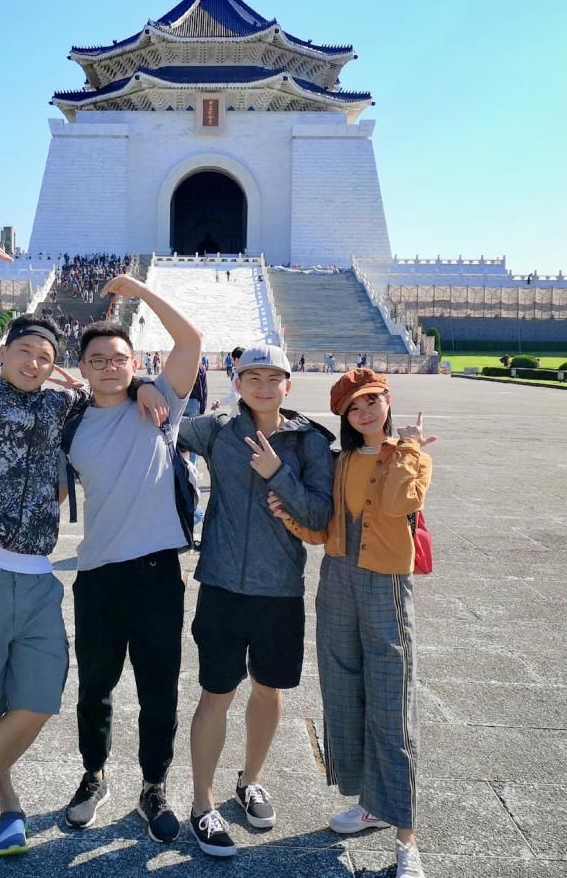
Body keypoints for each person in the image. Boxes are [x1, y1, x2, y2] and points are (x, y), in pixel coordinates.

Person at [0, 240, 165, 859]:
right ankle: (6, 806)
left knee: (39, 697)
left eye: (45, 356)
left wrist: (138, 386)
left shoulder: (63, 406)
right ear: (2, 353)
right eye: (24, 352)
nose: (35, 363)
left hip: (37, 578)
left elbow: (105, 391)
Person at [268, 370, 434, 878]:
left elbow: (395, 503)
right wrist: (291, 518)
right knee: (344, 691)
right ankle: (370, 803)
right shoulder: (340, 464)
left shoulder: (411, 457)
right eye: (353, 408)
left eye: (372, 402)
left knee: (389, 701)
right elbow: (324, 530)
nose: (364, 413)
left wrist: (405, 449)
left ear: (388, 402)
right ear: (344, 417)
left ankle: (407, 838)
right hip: (337, 580)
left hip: (384, 584)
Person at [177, 344, 335, 857]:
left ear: (289, 384)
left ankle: (249, 780)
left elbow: (317, 517)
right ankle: (202, 805)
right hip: (222, 584)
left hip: (279, 591)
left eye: (274, 378)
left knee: (269, 691)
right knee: (216, 694)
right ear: (237, 380)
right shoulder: (218, 429)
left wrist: (277, 472)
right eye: (253, 377)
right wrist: (129, 385)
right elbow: (165, 423)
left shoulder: (310, 441)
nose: (264, 387)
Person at [61, 274, 201, 844]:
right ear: (85, 368)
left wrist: (140, 291)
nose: (109, 366)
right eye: (98, 360)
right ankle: (93, 774)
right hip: (96, 574)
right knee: (94, 686)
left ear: (134, 360)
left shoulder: (160, 403)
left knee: (159, 687)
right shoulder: (69, 423)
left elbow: (190, 341)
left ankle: (154, 784)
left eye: (120, 358)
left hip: (156, 574)